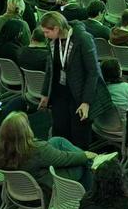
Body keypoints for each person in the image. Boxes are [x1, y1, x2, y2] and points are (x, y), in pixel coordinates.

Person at [39, 10, 114, 146]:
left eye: (47, 32)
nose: (45, 35)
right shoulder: (53, 41)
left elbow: (93, 72)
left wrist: (86, 102)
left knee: (79, 136)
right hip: (59, 93)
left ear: (56, 28)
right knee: (60, 131)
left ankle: (80, 164)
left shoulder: (83, 39)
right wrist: (45, 94)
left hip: (79, 94)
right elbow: (50, 68)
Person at [0, 111, 94, 192]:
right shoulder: (37, 149)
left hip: (20, 183)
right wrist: (85, 155)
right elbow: (65, 159)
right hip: (41, 185)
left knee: (57, 141)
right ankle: (89, 194)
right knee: (83, 164)